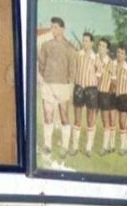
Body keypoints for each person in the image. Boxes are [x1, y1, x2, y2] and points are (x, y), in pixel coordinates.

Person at [38, 16, 76, 157]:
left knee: (64, 115)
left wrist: (69, 87)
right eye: (51, 27)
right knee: (48, 115)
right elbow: (41, 65)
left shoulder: (70, 47)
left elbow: (72, 70)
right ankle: (47, 145)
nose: (52, 29)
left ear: (62, 29)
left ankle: (65, 147)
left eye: (55, 27)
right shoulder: (46, 45)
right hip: (48, 85)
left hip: (63, 87)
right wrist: (44, 80)